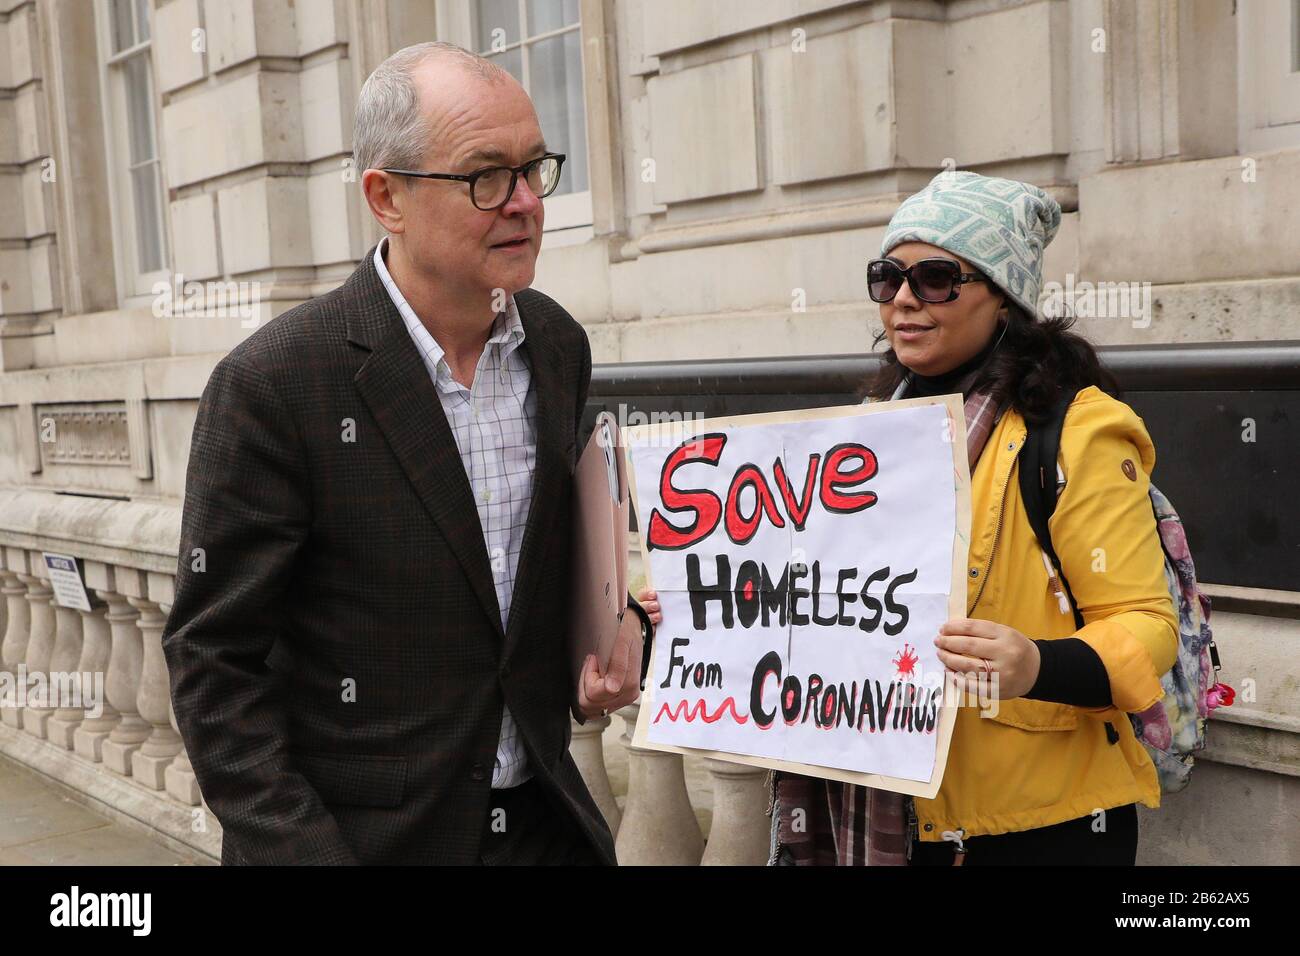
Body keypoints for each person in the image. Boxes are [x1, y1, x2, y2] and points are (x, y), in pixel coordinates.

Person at [163, 42, 646, 865]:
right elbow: (213, 666)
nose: (526, 202)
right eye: (485, 176)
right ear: (386, 197)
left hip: (542, 827)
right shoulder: (274, 384)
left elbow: (526, 585)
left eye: (536, 168)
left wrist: (612, 636)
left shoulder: (557, 346)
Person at [641, 170, 1177, 865]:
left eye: (935, 278)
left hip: (1031, 831)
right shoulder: (861, 437)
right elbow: (805, 601)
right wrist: (697, 611)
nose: (902, 299)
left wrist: (1036, 663)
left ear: (1004, 297)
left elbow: (1146, 624)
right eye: (888, 276)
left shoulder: (1078, 432)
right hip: (878, 807)